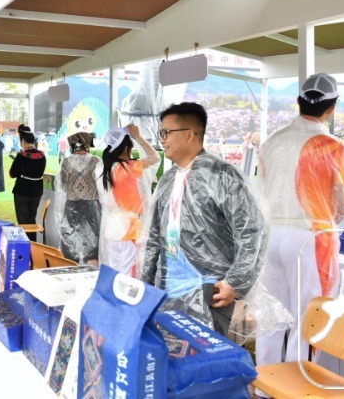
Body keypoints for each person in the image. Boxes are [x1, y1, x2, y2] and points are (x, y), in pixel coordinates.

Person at [255, 73, 344, 367]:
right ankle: (299, 385)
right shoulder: (335, 148)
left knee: (271, 317)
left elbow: (260, 190)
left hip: (270, 235)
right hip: (310, 238)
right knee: (309, 319)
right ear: (331, 108)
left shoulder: (271, 143)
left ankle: (265, 384)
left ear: (299, 101)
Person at [142, 102, 267, 336]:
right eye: (161, 133)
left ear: (189, 134)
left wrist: (235, 282)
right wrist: (146, 284)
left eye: (166, 132)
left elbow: (252, 231)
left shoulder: (222, 175)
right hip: (168, 286)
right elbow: (153, 237)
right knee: (171, 349)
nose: (162, 140)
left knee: (205, 352)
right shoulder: (168, 179)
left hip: (210, 290)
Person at [98, 125, 160, 277]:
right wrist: (138, 137)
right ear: (126, 149)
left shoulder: (102, 168)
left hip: (111, 228)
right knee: (128, 274)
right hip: (128, 229)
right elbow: (155, 158)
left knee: (114, 270)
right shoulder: (128, 167)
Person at [57, 132, 103, 265]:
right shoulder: (96, 161)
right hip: (92, 208)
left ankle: (71, 272)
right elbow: (102, 186)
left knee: (70, 245)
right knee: (92, 247)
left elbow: (62, 185)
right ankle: (91, 274)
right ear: (87, 144)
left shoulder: (66, 162)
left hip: (72, 207)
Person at [9, 124, 47, 238]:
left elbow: (12, 174)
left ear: (23, 141)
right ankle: (33, 244)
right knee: (31, 220)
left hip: (22, 191)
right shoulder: (42, 155)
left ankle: (26, 245)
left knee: (23, 222)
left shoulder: (21, 155)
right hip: (36, 192)